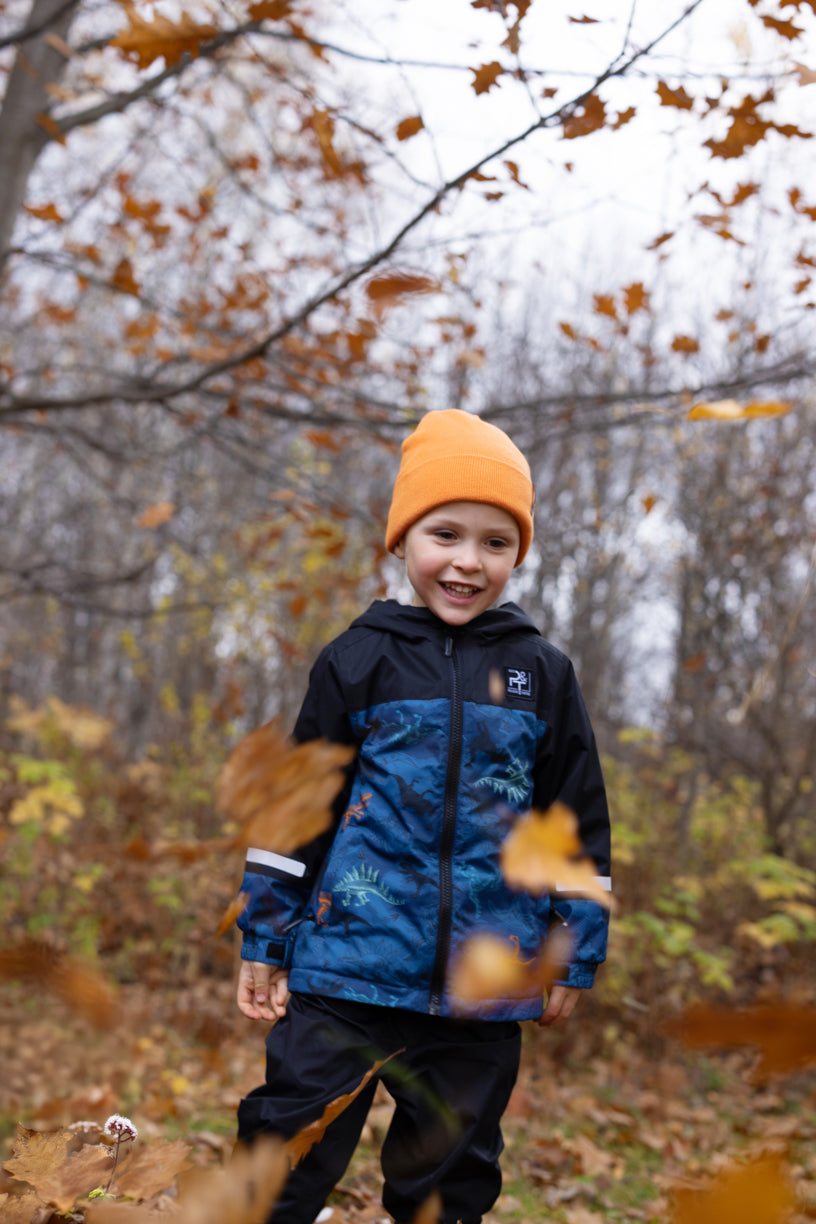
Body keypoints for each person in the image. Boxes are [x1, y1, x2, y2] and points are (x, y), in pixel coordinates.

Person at [235, 409, 611, 1224]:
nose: (468, 561)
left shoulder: (542, 673)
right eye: (446, 534)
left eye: (495, 542)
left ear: (518, 555)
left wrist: (573, 949)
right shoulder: (357, 660)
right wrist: (265, 937)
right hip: (345, 970)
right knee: (285, 1152)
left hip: (482, 989)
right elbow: (297, 809)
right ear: (402, 539)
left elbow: (574, 820)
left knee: (447, 1181)